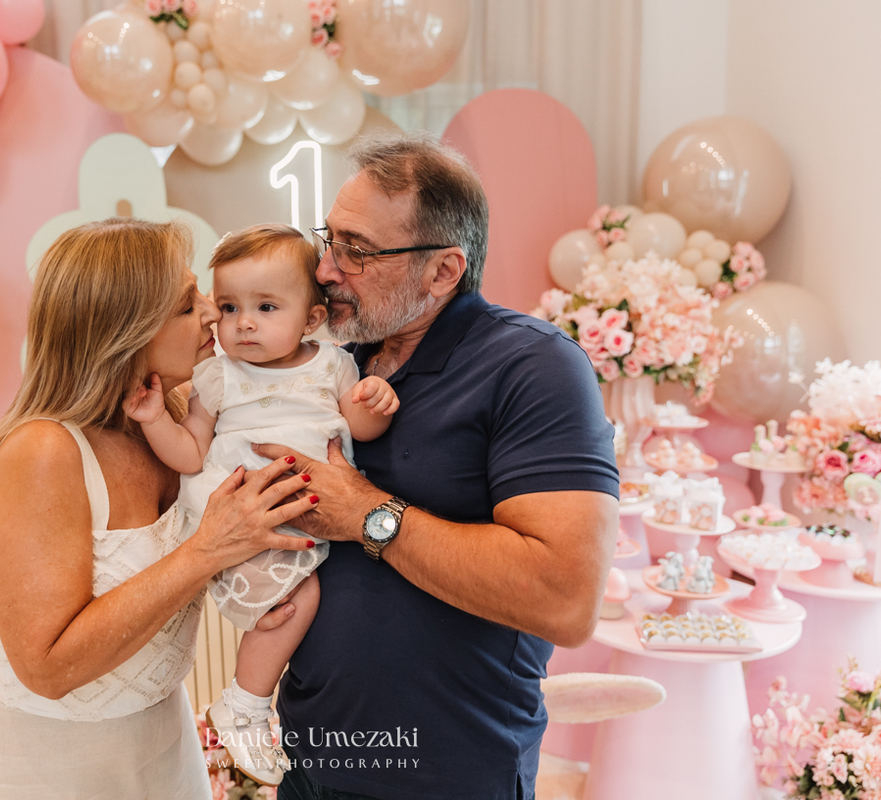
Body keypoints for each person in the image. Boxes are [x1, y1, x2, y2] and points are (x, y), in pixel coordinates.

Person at [254, 133, 621, 799]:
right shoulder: (337, 362)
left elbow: (566, 600)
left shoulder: (534, 367)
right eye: (329, 239)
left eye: (357, 250)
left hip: (449, 775)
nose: (326, 269)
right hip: (311, 765)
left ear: (444, 272)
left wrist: (365, 513)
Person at [0, 218, 321, 799]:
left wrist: (258, 596)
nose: (211, 312)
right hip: (43, 761)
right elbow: (47, 668)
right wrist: (208, 552)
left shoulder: (175, 416)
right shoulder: (43, 452)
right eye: (185, 306)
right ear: (122, 332)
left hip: (162, 736)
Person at [124, 224, 399, 786]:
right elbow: (190, 453)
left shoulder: (334, 365)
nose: (243, 322)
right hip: (244, 514)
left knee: (304, 601)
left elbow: (361, 428)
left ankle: (247, 704)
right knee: (298, 600)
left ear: (312, 319)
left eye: (266, 307)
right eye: (229, 307)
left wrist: (377, 402)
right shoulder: (217, 376)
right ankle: (246, 703)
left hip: (309, 513)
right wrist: (154, 420)